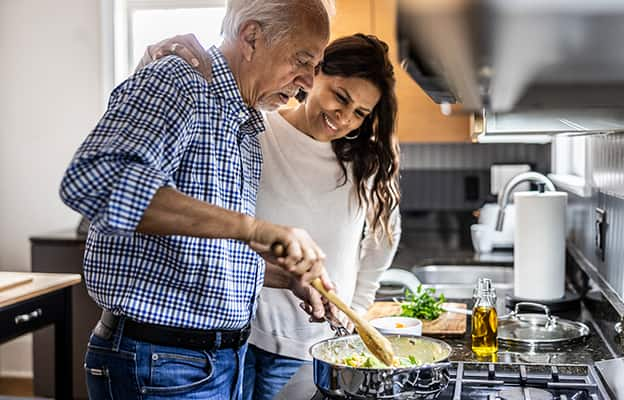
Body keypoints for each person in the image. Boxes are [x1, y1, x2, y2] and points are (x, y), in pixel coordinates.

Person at [58, 1, 335, 398]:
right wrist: (255, 229)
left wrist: (284, 277)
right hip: (161, 364)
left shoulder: (243, 123)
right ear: (252, 38)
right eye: (302, 59)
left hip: (218, 361)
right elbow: (94, 181)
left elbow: (200, 250)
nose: (308, 83)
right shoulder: (177, 81)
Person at [143, 33, 401, 399]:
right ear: (315, 74)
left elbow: (384, 240)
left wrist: (357, 308)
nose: (344, 117)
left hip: (317, 345)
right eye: (340, 96)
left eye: (360, 113)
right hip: (239, 337)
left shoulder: (367, 162)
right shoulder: (257, 129)